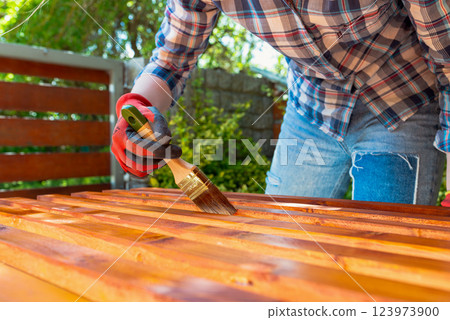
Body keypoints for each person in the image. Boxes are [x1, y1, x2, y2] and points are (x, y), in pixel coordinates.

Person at [111, 0, 450, 206]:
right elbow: (172, 59)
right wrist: (140, 104)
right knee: (283, 244)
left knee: (384, 262)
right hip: (312, 108)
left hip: (403, 101)